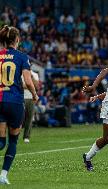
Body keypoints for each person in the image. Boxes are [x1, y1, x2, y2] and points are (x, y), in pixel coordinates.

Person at [0, 25, 38, 184]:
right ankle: (3, 175)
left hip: (0, 100)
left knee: (1, 142)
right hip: (15, 102)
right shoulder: (22, 57)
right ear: (17, 40)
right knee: (13, 141)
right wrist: (35, 95)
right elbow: (28, 81)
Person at [22, 69, 39, 143]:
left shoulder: (34, 74)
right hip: (21, 97)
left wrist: (31, 77)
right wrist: (31, 86)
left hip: (31, 98)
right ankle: (15, 134)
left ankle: (26, 136)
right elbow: (20, 85)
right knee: (20, 118)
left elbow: (37, 86)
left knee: (30, 118)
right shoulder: (20, 73)